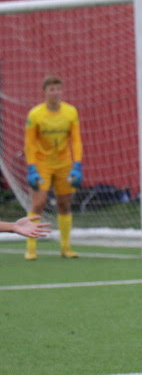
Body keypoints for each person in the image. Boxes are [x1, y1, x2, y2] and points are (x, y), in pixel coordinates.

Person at [24, 75, 83, 260]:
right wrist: (32, 167)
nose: (55, 93)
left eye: (58, 89)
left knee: (64, 204)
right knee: (39, 203)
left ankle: (66, 247)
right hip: (42, 164)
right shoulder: (35, 114)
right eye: (51, 90)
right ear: (45, 92)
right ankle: (31, 248)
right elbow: (30, 143)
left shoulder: (71, 112)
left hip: (64, 163)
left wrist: (77, 164)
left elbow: (76, 140)